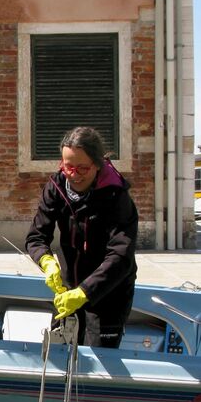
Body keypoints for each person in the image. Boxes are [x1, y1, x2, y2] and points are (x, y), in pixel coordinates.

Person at [25, 126, 138, 348]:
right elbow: (36, 236)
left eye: (82, 168)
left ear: (97, 164)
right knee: (59, 350)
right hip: (68, 288)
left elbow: (121, 256)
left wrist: (84, 292)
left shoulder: (117, 197)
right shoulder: (56, 186)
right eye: (68, 167)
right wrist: (46, 261)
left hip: (108, 291)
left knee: (97, 359)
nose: (74, 175)